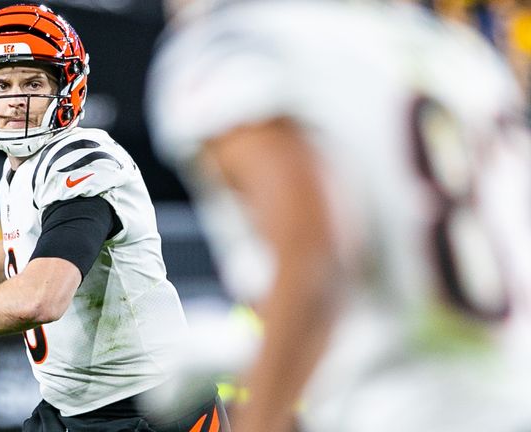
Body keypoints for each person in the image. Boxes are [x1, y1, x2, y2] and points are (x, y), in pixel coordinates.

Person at [147, 1, 531, 432]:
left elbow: (315, 260)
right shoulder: (455, 51)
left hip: (406, 411)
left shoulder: (237, 46)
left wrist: (262, 420)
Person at [0, 3, 229, 431]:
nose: (15, 100)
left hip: (149, 411)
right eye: (2, 84)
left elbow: (41, 297)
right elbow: (27, 247)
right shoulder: (22, 165)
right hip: (70, 408)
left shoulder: (84, 162)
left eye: (32, 82)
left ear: (67, 89)